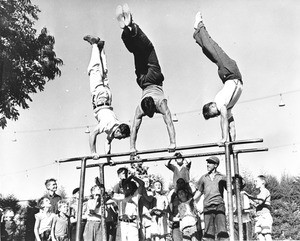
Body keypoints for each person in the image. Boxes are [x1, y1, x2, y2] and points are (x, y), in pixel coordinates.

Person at [116, 3, 176, 157]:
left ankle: (128, 30)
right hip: (143, 81)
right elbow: (168, 123)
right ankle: (128, 29)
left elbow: (135, 127)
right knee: (139, 51)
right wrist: (172, 143)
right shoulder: (156, 105)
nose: (150, 115)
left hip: (153, 79)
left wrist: (132, 147)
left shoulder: (146, 108)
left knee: (145, 49)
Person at [193, 12, 243, 145]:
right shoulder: (228, 108)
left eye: (213, 113)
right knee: (210, 52)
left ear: (212, 105)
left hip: (230, 73)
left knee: (213, 49)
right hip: (232, 74)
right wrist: (232, 143)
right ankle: (197, 35)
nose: (216, 115)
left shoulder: (220, 102)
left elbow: (224, 119)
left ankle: (199, 26)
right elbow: (232, 125)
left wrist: (223, 138)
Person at [83, 35, 130, 162]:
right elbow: (92, 134)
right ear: (119, 131)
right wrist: (93, 153)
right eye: (120, 137)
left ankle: (101, 49)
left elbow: (108, 143)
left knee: (103, 73)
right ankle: (94, 44)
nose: (119, 139)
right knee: (94, 70)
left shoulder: (114, 128)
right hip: (100, 98)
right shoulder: (106, 125)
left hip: (107, 97)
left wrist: (108, 159)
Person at [196, 156, 229, 240]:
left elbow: (229, 190)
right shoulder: (204, 177)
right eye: (207, 163)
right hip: (207, 206)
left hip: (219, 206)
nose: (207, 165)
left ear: (215, 165)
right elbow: (199, 192)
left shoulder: (222, 177)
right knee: (208, 232)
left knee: (222, 231)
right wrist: (190, 200)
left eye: (210, 163)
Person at [119, 174, 152, 241]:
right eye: (126, 187)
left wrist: (132, 177)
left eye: (129, 186)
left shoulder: (135, 196)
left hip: (133, 222)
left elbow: (142, 183)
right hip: (123, 223)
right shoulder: (121, 196)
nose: (127, 188)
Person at [245, 175, 273, 241]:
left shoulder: (265, 191)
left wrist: (248, 195)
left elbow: (260, 201)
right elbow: (257, 204)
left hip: (265, 216)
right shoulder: (260, 193)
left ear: (263, 182)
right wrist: (250, 200)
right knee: (260, 235)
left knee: (267, 235)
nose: (255, 183)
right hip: (259, 217)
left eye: (256, 181)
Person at [232, 176, 251, 241]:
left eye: (236, 183)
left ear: (240, 185)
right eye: (233, 183)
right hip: (235, 222)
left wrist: (237, 211)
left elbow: (247, 210)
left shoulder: (243, 195)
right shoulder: (233, 196)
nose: (234, 185)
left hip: (244, 222)